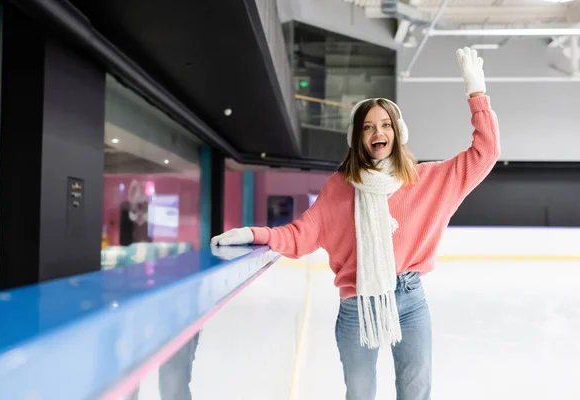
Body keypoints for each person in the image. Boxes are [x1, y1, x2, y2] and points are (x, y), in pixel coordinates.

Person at [210, 47, 500, 400]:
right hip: (357, 303)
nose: (378, 132)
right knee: (359, 394)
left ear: (397, 131)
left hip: (410, 301)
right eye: (368, 127)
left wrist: (476, 91)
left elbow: (485, 153)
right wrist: (254, 234)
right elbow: (301, 235)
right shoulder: (341, 187)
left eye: (385, 124)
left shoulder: (427, 179)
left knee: (416, 391)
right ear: (358, 138)